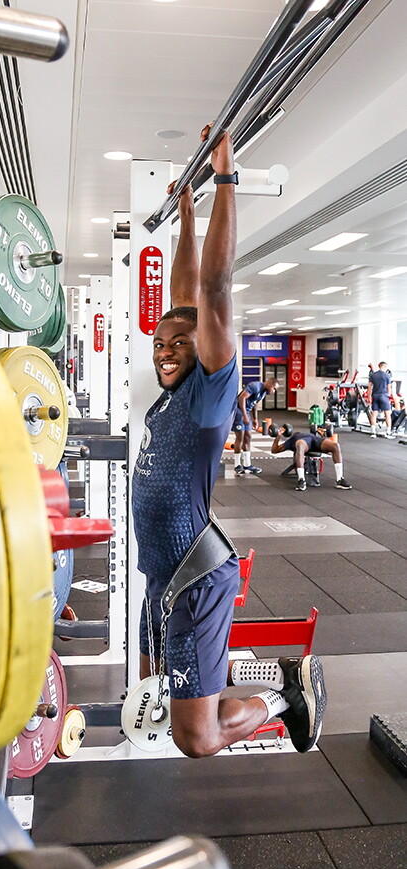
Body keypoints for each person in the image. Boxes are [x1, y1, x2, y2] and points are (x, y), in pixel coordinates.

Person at [130, 125, 326, 759]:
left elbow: (210, 292)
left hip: (194, 578)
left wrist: (222, 182)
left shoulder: (209, 394)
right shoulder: (172, 388)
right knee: (159, 692)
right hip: (170, 576)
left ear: (202, 351)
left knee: (199, 737)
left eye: (176, 345)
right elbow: (183, 298)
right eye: (158, 344)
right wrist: (185, 216)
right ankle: (248, 691)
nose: (163, 352)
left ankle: (284, 697)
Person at [270, 426, 352, 491]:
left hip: (315, 440)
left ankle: (340, 479)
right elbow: (274, 450)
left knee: (335, 445)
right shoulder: (292, 439)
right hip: (303, 443)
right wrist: (278, 435)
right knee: (300, 445)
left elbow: (328, 451)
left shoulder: (311, 434)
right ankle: (301, 480)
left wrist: (323, 435)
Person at [232, 378, 279, 475]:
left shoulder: (263, 392)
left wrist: (255, 419)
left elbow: (255, 404)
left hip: (247, 412)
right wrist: (244, 415)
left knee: (248, 437)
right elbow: (242, 398)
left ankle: (247, 464)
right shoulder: (255, 386)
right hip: (238, 411)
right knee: (240, 437)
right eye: (274, 389)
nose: (273, 392)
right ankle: (237, 465)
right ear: (269, 383)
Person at [368, 362, 395, 439]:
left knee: (374, 414)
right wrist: (388, 396)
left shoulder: (373, 375)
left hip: (375, 396)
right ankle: (388, 432)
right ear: (385, 367)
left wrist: (369, 397)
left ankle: (373, 432)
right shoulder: (387, 375)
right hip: (384, 396)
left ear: (379, 366)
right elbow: (389, 388)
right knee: (387, 414)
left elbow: (369, 388)